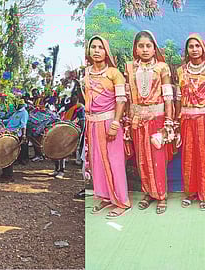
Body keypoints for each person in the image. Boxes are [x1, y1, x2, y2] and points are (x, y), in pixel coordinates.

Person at [124, 30, 174, 215]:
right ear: (136, 49)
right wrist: (127, 122)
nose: (145, 49)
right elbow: (128, 97)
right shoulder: (129, 68)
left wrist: (168, 122)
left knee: (157, 159)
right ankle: (148, 193)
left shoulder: (162, 67)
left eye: (148, 46)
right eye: (141, 46)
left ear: (154, 49)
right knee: (142, 159)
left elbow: (168, 96)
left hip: (157, 119)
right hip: (137, 120)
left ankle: (161, 195)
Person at [175, 33, 205, 210]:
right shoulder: (181, 71)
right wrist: (176, 121)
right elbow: (178, 98)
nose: (194, 50)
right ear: (187, 50)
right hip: (186, 118)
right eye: (191, 46)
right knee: (188, 156)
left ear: (203, 48)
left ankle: (204, 194)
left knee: (203, 156)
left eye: (197, 46)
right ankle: (190, 193)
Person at [85, 35, 131, 218]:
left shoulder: (114, 73)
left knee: (115, 162)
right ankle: (105, 196)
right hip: (92, 123)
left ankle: (122, 202)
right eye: (93, 47)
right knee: (97, 161)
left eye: (100, 47)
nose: (96, 51)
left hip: (109, 122)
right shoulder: (86, 73)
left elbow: (121, 100)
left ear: (106, 51)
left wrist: (115, 123)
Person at [49, 94, 85, 179]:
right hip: (64, 128)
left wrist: (80, 134)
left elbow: (82, 121)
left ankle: (61, 171)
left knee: (63, 150)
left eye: (75, 97)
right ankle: (56, 169)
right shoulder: (68, 107)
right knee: (56, 148)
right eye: (72, 97)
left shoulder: (80, 108)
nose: (73, 99)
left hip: (73, 130)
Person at [0, 98, 29, 181]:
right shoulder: (16, 112)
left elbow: (23, 125)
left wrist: (23, 135)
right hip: (9, 132)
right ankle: (4, 173)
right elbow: (10, 121)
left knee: (10, 154)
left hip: (15, 135)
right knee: (5, 153)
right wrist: (1, 121)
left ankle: (9, 175)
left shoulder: (24, 113)